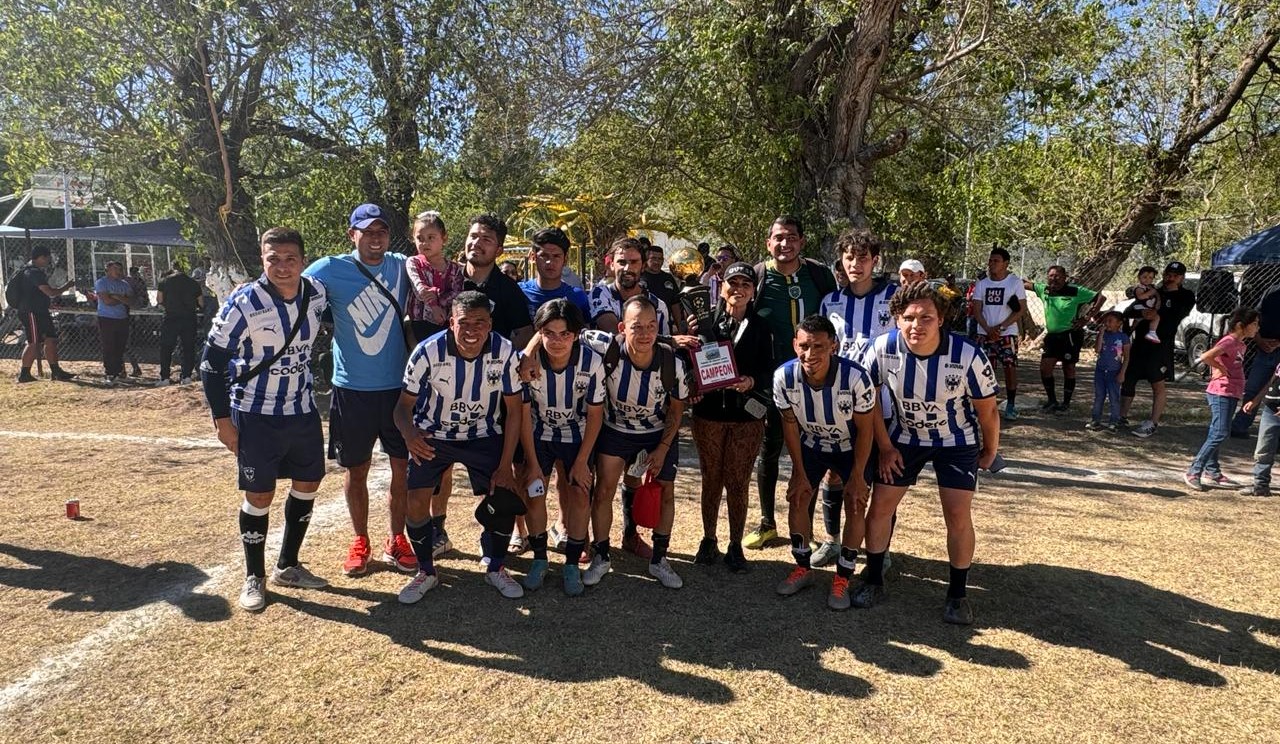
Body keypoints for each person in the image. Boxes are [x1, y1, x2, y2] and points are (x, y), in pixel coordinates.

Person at [855, 281, 1000, 625]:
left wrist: (990, 449)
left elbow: (987, 411)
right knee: (879, 509)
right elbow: (868, 399)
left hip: (956, 440)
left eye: (926, 318)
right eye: (908, 317)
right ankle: (874, 580)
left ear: (941, 320)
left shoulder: (966, 355)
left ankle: (957, 594)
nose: (916, 325)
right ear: (895, 319)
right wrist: (885, 446)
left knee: (957, 514)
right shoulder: (881, 348)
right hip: (904, 438)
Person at [200, 227, 330, 612]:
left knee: (308, 484)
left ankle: (288, 565)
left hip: (302, 410)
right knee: (260, 495)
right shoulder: (243, 302)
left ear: (303, 261)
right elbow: (211, 364)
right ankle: (253, 575)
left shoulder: (317, 294)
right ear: (262, 260)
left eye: (291, 258)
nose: (283, 267)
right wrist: (222, 421)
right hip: (256, 413)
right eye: (274, 259)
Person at [302, 203, 418, 577]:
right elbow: (288, 286)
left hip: (399, 390)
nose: (375, 238)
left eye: (381, 231)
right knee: (357, 468)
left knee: (402, 469)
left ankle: (396, 539)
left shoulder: (402, 264)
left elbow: (436, 263)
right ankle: (360, 539)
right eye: (367, 232)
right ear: (352, 234)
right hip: (351, 389)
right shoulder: (330, 268)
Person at [393, 291, 526, 601]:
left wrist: (506, 464)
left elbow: (515, 410)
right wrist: (410, 433)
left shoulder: (504, 351)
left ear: (490, 324)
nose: (472, 330)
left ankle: (495, 566)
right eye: (464, 322)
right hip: (434, 434)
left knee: (503, 494)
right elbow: (402, 407)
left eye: (480, 322)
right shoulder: (427, 352)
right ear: (451, 322)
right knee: (415, 499)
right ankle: (426, 570)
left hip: (483, 434)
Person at [581, 296, 691, 589]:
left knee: (666, 490)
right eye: (636, 327)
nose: (644, 334)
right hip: (615, 430)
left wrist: (662, 449)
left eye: (651, 327)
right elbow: (561, 331)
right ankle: (602, 556)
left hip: (656, 433)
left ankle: (660, 559)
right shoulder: (608, 348)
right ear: (621, 327)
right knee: (603, 489)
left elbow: (677, 409)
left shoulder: (671, 362)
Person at [745, 216, 837, 550]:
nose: (786, 244)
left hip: (815, 380)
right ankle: (767, 523)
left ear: (802, 242)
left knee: (811, 454)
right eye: (779, 238)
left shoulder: (818, 274)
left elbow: (835, 315)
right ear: (769, 242)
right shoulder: (757, 276)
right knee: (768, 451)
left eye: (793, 238)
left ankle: (807, 528)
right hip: (772, 382)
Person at [773, 315, 876, 610]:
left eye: (819, 346)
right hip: (812, 444)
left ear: (834, 346)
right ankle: (802, 566)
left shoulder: (856, 378)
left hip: (850, 446)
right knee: (798, 496)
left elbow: (866, 430)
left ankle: (843, 575)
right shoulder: (783, 377)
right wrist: (798, 471)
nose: (810, 354)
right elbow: (790, 426)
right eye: (804, 346)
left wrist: (857, 475)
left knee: (856, 502)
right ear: (795, 345)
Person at [812, 227, 897, 567]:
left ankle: (881, 548)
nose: (856, 265)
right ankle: (833, 540)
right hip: (837, 403)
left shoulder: (894, 298)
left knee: (878, 477)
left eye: (863, 258)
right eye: (849, 258)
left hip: (882, 403)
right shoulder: (830, 301)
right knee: (835, 474)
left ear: (875, 261)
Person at [517, 299, 607, 595]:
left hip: (577, 436)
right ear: (539, 333)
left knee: (580, 495)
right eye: (549, 333)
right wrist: (531, 462)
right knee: (533, 492)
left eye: (564, 334)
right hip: (539, 435)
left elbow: (595, 416)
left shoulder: (591, 362)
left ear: (577, 334)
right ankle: (540, 559)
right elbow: (524, 415)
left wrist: (582, 462)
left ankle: (571, 564)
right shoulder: (527, 363)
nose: (557, 341)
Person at [689, 262, 774, 574]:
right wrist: (693, 386)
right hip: (708, 414)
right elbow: (690, 362)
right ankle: (708, 538)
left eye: (745, 284)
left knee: (737, 482)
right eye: (732, 282)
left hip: (746, 417)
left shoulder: (762, 326)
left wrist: (752, 381)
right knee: (711, 478)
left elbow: (770, 369)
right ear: (721, 286)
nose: (738, 289)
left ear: (753, 291)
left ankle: (735, 544)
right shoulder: (704, 320)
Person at [1184, 307, 1259, 491]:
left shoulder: (1241, 344)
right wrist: (1220, 368)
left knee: (1216, 432)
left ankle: (1213, 470)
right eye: (1255, 324)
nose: (1257, 327)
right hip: (1221, 392)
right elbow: (1206, 356)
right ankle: (1194, 471)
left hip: (1232, 392)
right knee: (1220, 432)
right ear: (1241, 325)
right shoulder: (1229, 341)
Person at [1121, 262, 1197, 438]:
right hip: (1140, 342)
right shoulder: (1153, 291)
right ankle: (1121, 416)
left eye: (1176, 275)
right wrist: (1141, 314)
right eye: (1168, 274)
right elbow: (1130, 310)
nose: (1171, 278)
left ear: (1182, 278)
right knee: (1129, 378)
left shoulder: (1185, 295)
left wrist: (1156, 313)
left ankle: (1153, 422)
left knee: (1157, 382)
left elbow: (1177, 314)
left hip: (1161, 344)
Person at [1025, 266, 1103, 412]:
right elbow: (1024, 283)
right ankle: (1052, 400)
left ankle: (1066, 403)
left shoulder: (1075, 291)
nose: (1053, 279)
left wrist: (1086, 318)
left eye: (1057, 276)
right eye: (1050, 276)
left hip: (1070, 335)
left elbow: (1100, 297)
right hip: (1052, 336)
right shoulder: (1045, 290)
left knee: (1069, 367)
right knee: (1045, 368)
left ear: (1065, 277)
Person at [461, 214, 533, 345]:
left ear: (499, 251)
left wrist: (501, 357)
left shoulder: (509, 289)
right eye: (473, 236)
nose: (476, 243)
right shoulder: (447, 280)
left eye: (486, 239)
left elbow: (525, 333)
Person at [972, 248, 1026, 419]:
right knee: (985, 370)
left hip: (1007, 333)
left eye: (996, 261)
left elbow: (1021, 309)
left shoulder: (1014, 282)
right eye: (990, 260)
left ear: (1006, 264)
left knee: (1009, 367)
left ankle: (1010, 405)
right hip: (984, 333)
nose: (992, 264)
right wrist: (988, 329)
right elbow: (977, 310)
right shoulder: (982, 284)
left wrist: (1001, 328)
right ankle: (986, 405)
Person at [13, 245, 76, 383]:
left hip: (41, 311)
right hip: (31, 312)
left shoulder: (35, 271)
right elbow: (50, 292)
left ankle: (56, 371)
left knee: (51, 339)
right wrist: (67, 286)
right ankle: (24, 374)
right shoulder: (32, 272)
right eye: (48, 258)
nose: (49, 261)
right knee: (34, 342)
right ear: (41, 257)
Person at [588, 237, 673, 336]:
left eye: (634, 262)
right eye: (622, 262)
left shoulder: (658, 306)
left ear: (643, 266)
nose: (627, 268)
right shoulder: (599, 294)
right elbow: (614, 332)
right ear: (611, 265)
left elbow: (662, 345)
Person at [405, 210, 464, 343]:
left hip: (446, 322)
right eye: (420, 238)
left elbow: (457, 293)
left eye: (431, 237)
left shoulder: (455, 269)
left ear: (444, 238)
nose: (425, 243)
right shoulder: (414, 262)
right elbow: (419, 288)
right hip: (420, 323)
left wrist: (439, 299)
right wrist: (434, 307)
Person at [1232, 287, 1280, 438]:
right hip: (1266, 349)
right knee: (1253, 388)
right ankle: (1240, 425)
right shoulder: (1272, 290)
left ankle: (1275, 436)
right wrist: (1259, 339)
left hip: (1275, 346)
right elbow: (1255, 316)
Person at [518, 227, 591, 321]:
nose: (550, 262)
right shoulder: (519, 293)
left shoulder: (578, 297)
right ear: (533, 257)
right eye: (544, 256)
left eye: (556, 256)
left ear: (565, 260)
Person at [156, 263, 205, 385]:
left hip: (171, 317)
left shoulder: (164, 281)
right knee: (188, 347)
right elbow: (201, 303)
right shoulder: (193, 283)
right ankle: (186, 376)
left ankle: (165, 377)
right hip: (189, 318)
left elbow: (159, 300)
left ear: (172, 269)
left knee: (166, 348)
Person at [1240, 355, 1280, 497]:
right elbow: (1271, 382)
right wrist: (1255, 400)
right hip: (1271, 408)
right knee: (1264, 448)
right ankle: (1260, 485)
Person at [1087, 310, 1129, 432]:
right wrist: (1100, 334)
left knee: (1113, 397)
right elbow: (1098, 350)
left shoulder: (1123, 338)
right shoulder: (1104, 335)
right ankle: (1095, 419)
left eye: (1110, 321)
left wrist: (1122, 373)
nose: (1107, 324)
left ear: (1119, 323)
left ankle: (1114, 421)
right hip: (1100, 370)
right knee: (1099, 395)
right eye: (1106, 321)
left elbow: (1126, 357)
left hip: (1114, 371)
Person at [94, 261, 133, 385]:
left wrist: (117, 297)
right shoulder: (102, 282)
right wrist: (122, 299)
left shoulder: (124, 284)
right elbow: (107, 301)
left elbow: (131, 300)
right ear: (108, 269)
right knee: (109, 346)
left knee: (120, 346)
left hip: (122, 318)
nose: (118, 271)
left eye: (120, 269)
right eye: (115, 268)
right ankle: (110, 373)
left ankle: (119, 372)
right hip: (107, 318)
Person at [639, 243, 680, 311]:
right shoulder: (639, 278)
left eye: (659, 259)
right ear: (646, 260)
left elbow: (675, 303)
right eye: (653, 258)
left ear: (663, 261)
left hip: (666, 320)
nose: (656, 262)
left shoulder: (668, 278)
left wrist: (678, 321)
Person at [1130, 266, 1162, 344]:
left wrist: (1158, 302)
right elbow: (1140, 297)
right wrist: (1151, 292)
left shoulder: (1151, 287)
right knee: (1156, 317)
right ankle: (1152, 332)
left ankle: (1129, 332)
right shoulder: (1139, 287)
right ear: (1139, 277)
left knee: (1136, 323)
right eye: (1144, 277)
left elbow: (1157, 295)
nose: (1147, 279)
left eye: (1150, 278)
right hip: (1140, 307)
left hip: (1149, 307)